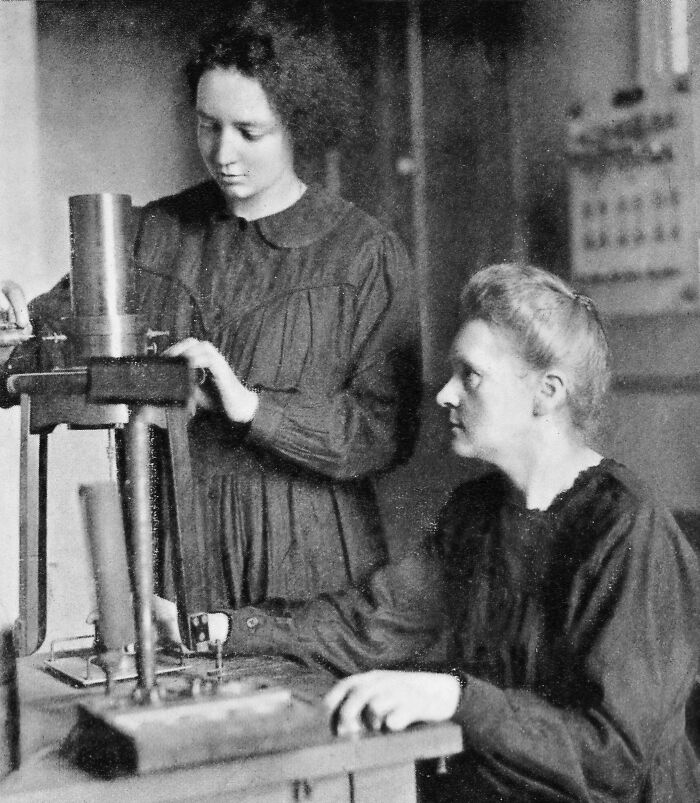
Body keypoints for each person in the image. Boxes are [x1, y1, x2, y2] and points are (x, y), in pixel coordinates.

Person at [201, 263, 700, 801]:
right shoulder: (475, 512)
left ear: (547, 392)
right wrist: (224, 630)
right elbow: (372, 623)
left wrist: (456, 698)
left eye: (470, 375)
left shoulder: (627, 528)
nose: (444, 394)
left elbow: (612, 758)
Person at [0, 4, 421, 612]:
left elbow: (385, 432)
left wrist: (251, 407)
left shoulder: (363, 255)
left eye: (250, 132)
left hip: (310, 558)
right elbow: (33, 359)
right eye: (207, 126)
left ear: (297, 124)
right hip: (176, 553)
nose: (223, 152)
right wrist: (11, 342)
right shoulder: (148, 235)